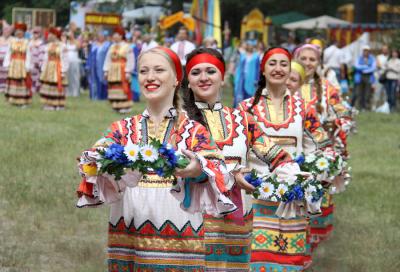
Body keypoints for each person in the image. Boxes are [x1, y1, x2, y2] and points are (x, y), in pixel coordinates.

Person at [76, 46, 236, 271]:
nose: (150, 77)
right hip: (131, 233)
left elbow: (219, 171)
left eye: (159, 70)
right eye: (143, 71)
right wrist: (102, 163)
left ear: (175, 79)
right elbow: (97, 156)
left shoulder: (193, 131)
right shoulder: (123, 129)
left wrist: (196, 169)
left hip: (180, 238)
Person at [184, 47, 300, 271]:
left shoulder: (242, 119)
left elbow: (275, 155)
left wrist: (292, 174)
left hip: (238, 221)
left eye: (211, 71)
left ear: (223, 77)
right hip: (193, 218)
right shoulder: (179, 120)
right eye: (196, 73)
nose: (204, 78)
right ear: (187, 81)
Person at [238, 47, 330, 271]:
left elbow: (322, 145)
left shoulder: (304, 108)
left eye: (283, 64)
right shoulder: (246, 108)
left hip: (292, 198)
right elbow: (238, 152)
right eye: (272, 63)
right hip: (256, 196)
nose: (278, 69)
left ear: (290, 69)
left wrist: (314, 175)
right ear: (263, 69)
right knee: (257, 260)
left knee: (290, 260)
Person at [294, 43, 354, 249]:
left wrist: (338, 123)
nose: (308, 63)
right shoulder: (288, 84)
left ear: (319, 63)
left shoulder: (327, 88)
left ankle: (310, 242)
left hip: (319, 153)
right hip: (293, 151)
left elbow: (342, 113)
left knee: (316, 196)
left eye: (313, 59)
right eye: (304, 59)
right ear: (296, 60)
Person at [103, 26, 134, 113]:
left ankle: (124, 106)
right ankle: (115, 105)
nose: (115, 36)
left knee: (122, 87)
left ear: (121, 36)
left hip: (122, 70)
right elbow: (108, 59)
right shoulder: (112, 47)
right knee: (114, 86)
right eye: (114, 35)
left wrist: (128, 71)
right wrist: (106, 70)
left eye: (116, 35)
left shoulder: (127, 47)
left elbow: (130, 59)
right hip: (113, 70)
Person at [39, 27, 69, 110]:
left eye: (50, 34)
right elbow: (45, 58)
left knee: (57, 85)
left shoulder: (62, 46)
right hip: (49, 67)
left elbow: (65, 59)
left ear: (54, 35)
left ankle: (59, 104)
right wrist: (43, 69)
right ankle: (49, 103)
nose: (48, 36)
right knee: (49, 85)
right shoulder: (48, 46)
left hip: (58, 67)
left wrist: (63, 71)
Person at [3, 23, 32, 107]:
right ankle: (12, 99)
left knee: (22, 81)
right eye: (17, 31)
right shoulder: (12, 41)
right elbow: (8, 53)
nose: (19, 32)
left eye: (21, 31)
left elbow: (28, 55)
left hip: (22, 64)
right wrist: (7, 64)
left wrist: (27, 66)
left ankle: (22, 101)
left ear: (24, 32)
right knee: (13, 81)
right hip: (13, 64)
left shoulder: (27, 42)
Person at [233, 40, 260, 107]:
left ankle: (247, 108)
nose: (250, 47)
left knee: (249, 94)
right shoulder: (242, 54)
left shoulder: (256, 56)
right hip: (241, 77)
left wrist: (257, 79)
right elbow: (238, 65)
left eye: (252, 46)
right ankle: (238, 108)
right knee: (239, 94)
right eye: (249, 45)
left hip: (251, 78)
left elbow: (257, 68)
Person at [86, 30, 111, 100]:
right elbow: (90, 55)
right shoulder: (94, 45)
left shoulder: (107, 45)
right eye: (99, 36)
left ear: (104, 37)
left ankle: (103, 96)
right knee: (94, 80)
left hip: (103, 65)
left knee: (103, 80)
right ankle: (94, 96)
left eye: (102, 36)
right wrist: (88, 64)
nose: (100, 37)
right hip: (94, 65)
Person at [352, 45, 376, 111]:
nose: (366, 52)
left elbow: (373, 68)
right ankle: (360, 107)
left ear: (369, 52)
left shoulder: (372, 58)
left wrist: (364, 69)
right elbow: (356, 66)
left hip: (368, 76)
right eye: (364, 51)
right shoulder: (359, 58)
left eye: (367, 51)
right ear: (363, 51)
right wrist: (366, 67)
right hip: (360, 76)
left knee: (367, 92)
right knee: (359, 92)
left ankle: (366, 107)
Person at [28, 26, 45, 94]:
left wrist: (39, 62)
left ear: (40, 34)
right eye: (34, 33)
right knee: (30, 76)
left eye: (37, 33)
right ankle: (30, 88)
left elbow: (42, 54)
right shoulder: (29, 42)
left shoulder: (41, 43)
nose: (35, 34)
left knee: (37, 77)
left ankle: (36, 89)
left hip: (37, 62)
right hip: (30, 62)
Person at [373, 44, 390, 110]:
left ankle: (384, 108)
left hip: (387, 78)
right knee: (377, 93)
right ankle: (374, 107)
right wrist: (385, 67)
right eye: (384, 49)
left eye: (386, 49)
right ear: (382, 50)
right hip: (379, 78)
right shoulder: (379, 57)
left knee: (385, 94)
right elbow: (378, 65)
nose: (385, 50)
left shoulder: (389, 57)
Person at [65, 30, 81, 97]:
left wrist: (69, 49)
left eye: (71, 34)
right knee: (68, 77)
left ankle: (75, 92)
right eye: (69, 34)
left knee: (75, 76)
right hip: (67, 61)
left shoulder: (77, 41)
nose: (70, 36)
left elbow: (78, 47)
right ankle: (69, 91)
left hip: (74, 61)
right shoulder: (66, 42)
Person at [0, 24, 13, 93]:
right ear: (2, 31)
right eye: (5, 30)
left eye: (8, 30)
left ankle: (7, 88)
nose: (6, 32)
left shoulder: (13, 40)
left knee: (7, 75)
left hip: (8, 61)